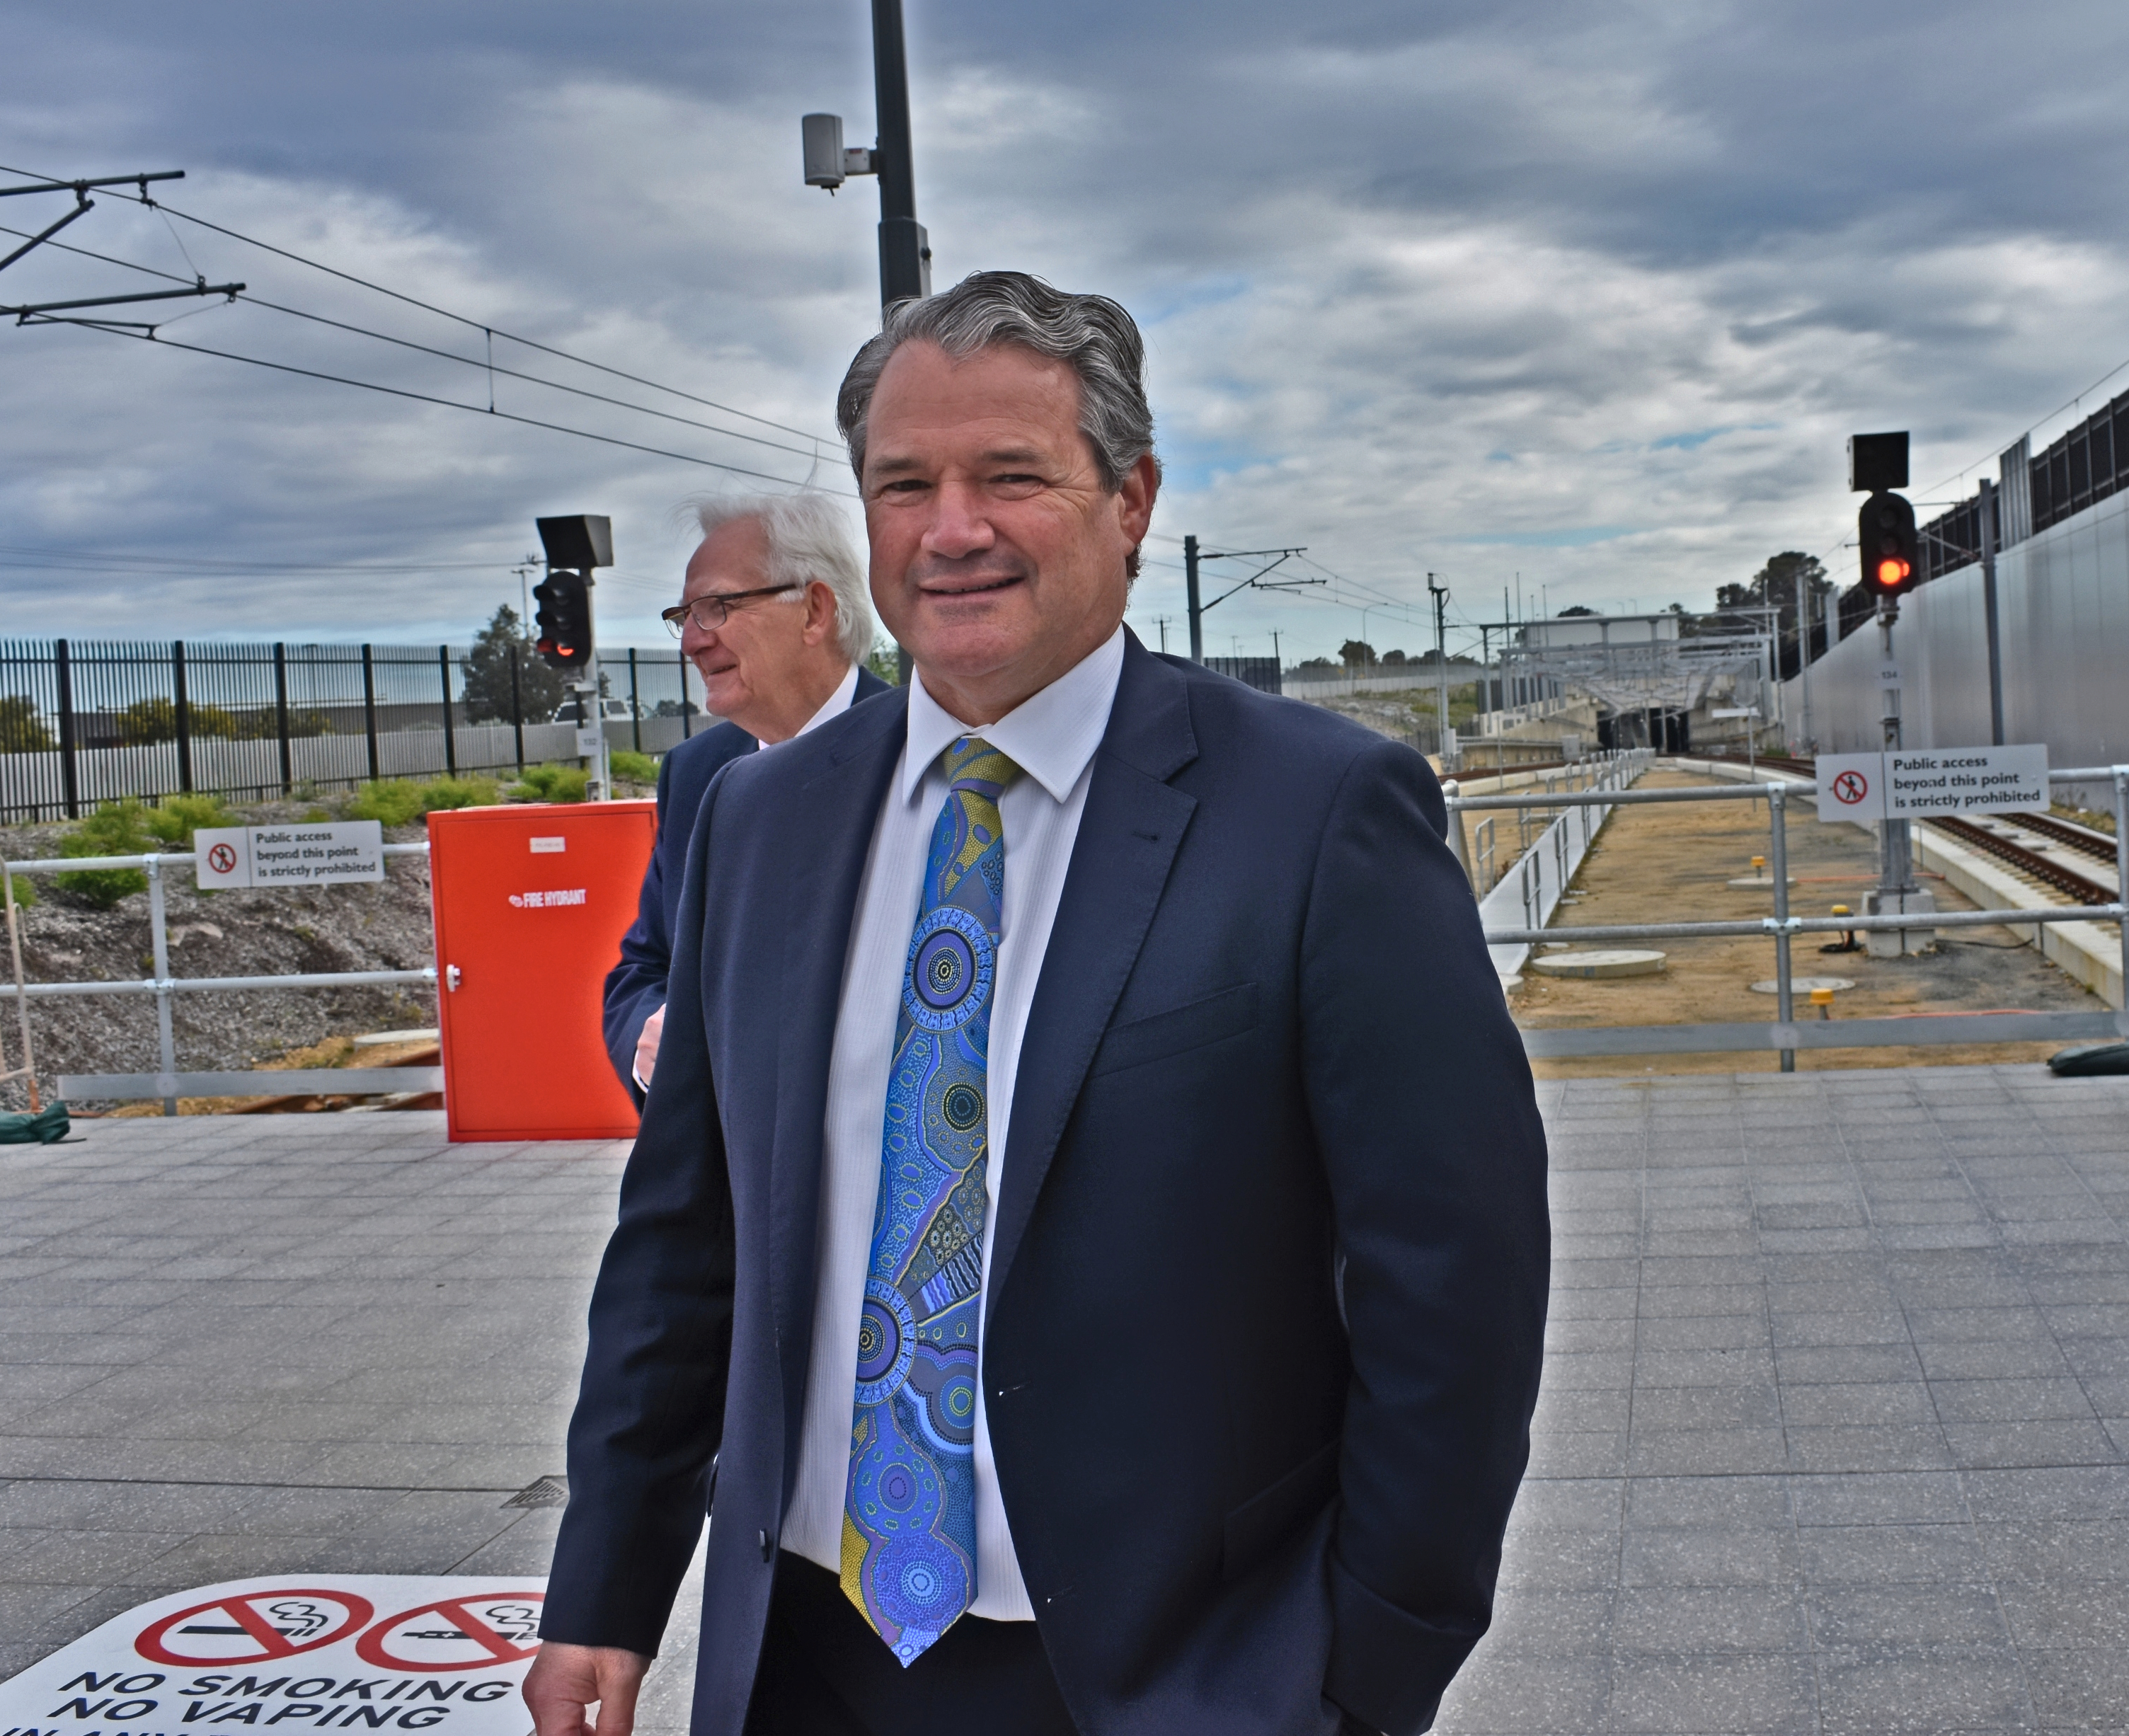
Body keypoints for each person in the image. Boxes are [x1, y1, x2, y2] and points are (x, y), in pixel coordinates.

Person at [530, 272, 1549, 1736]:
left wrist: (1367, 1671)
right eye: (906, 484)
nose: (953, 528)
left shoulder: (1317, 814)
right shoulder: (759, 823)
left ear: (1128, 499)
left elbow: (1452, 1281)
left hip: (1179, 1672)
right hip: (808, 1659)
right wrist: (605, 1592)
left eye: (1011, 475)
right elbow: (685, 1235)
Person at [602, 492, 888, 1097]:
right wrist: (648, 1043)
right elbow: (644, 968)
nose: (690, 643)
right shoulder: (693, 773)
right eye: (684, 616)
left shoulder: (932, 751)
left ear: (814, 610)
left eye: (718, 607)